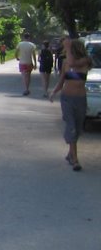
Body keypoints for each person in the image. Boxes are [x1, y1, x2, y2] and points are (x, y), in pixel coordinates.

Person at [49, 37, 91, 171]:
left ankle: (70, 153)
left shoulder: (85, 61)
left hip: (80, 99)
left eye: (70, 49)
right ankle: (75, 160)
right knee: (71, 126)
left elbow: (74, 64)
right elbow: (62, 80)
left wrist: (67, 47)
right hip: (67, 98)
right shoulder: (66, 63)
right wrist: (54, 92)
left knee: (78, 129)